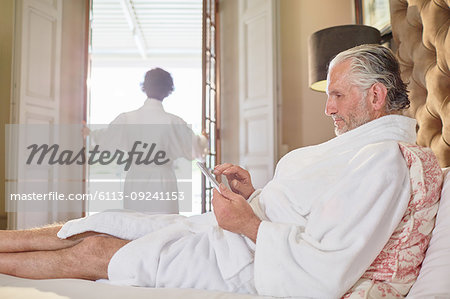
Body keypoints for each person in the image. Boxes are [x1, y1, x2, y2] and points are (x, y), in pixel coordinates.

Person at [0, 45, 442, 298]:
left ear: (376, 96)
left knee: (96, 245)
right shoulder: (359, 152)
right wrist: (256, 197)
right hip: (198, 211)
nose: (328, 107)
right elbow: (199, 152)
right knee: (97, 229)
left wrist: (249, 223)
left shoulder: (384, 160)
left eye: (338, 95)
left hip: (237, 254)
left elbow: (324, 264)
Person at [85, 68, 208, 213]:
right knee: (165, 227)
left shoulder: (127, 118)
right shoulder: (175, 122)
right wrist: (204, 138)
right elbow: (196, 150)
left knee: (135, 226)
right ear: (168, 90)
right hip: (163, 181)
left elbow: (104, 140)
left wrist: (89, 134)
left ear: (145, 87)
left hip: (135, 180)